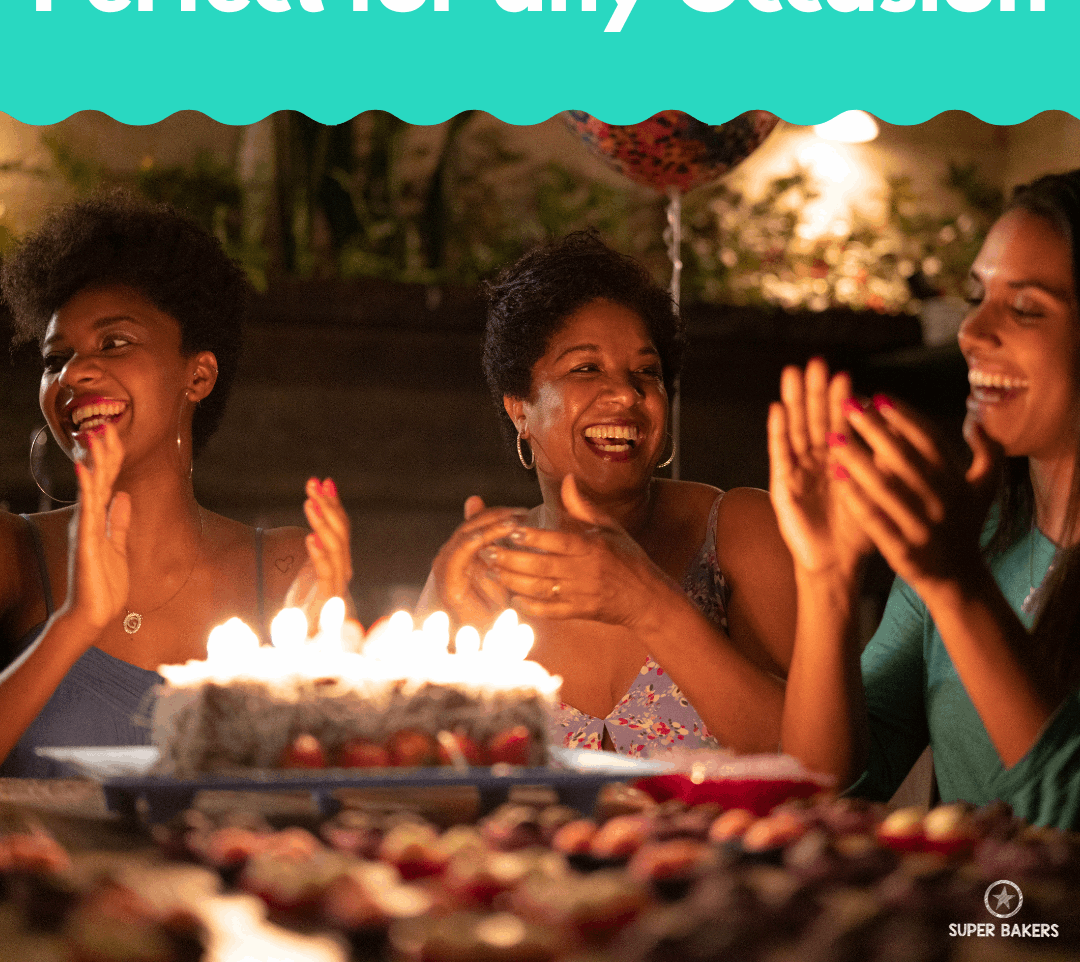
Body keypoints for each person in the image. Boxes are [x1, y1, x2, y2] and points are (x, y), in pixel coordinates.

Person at [0, 192, 352, 776]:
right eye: (54, 358)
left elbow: (324, 791)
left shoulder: (287, 568)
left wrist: (317, 675)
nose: (73, 373)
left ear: (198, 375)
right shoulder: (13, 552)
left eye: (115, 342)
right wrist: (75, 623)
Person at [770, 169, 1080, 828]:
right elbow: (825, 794)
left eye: (1024, 308)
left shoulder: (954, 552)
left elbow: (1067, 817)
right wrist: (826, 578)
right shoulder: (973, 530)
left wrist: (957, 584)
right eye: (976, 297)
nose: (972, 333)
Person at [422, 231, 797, 756]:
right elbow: (416, 778)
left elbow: (808, 761)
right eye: (586, 368)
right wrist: (467, 653)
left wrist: (647, 600)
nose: (626, 393)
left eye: (647, 371)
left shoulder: (739, 529)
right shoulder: (483, 569)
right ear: (519, 409)